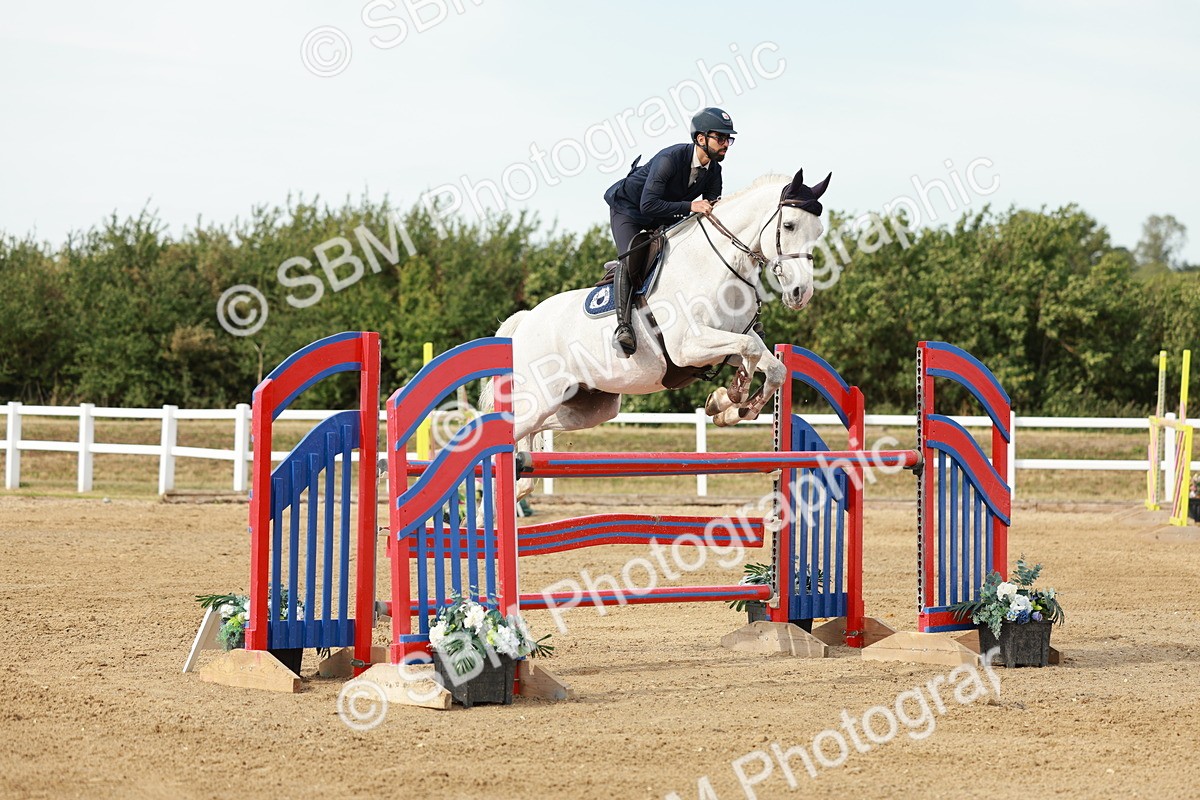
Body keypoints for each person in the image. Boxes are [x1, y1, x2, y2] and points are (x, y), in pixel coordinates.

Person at [602, 106, 736, 356]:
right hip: (630, 210)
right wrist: (690, 206)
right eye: (720, 138)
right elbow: (648, 204)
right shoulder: (670, 159)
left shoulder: (714, 171)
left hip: (663, 214)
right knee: (631, 257)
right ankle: (623, 328)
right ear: (701, 138)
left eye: (729, 139)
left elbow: (710, 212)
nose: (726, 144)